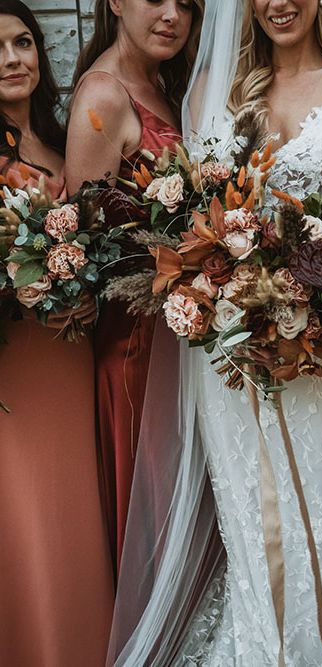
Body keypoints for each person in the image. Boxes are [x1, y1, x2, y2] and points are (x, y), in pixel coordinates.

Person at [109, 0, 322, 664]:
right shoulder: (214, 88)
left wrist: (298, 298)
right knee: (251, 521)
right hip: (227, 343)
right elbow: (196, 221)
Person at [65, 0, 203, 573]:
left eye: (188, 5)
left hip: (179, 330)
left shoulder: (163, 84)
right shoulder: (104, 94)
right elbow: (85, 248)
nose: (172, 15)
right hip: (135, 345)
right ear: (116, 3)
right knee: (150, 504)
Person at [0, 2, 114, 664]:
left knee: (73, 514)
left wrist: (83, 297)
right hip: (20, 366)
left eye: (23, 42)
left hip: (69, 361)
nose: (14, 58)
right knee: (27, 515)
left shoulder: (56, 137)